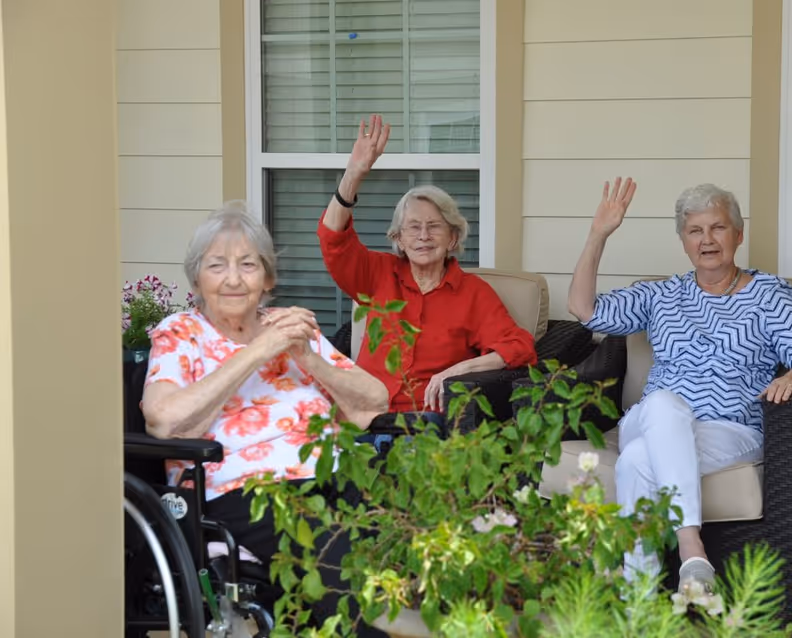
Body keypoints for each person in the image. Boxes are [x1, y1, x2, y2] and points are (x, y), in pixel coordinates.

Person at [568, 180, 792, 593]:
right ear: (683, 241)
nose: (707, 240)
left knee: (637, 460)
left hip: (730, 429)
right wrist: (598, 234)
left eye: (718, 228)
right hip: (652, 417)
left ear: (738, 235)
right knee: (661, 405)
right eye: (695, 231)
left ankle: (636, 599)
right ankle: (691, 548)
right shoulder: (661, 294)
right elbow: (584, 309)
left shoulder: (768, 296)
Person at [141, 202, 390, 634]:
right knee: (346, 565)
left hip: (336, 476)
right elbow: (164, 422)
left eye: (248, 265)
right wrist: (256, 351)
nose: (234, 279)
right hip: (249, 493)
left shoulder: (289, 327)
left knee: (414, 541)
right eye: (217, 266)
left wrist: (308, 357)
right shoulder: (182, 333)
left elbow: (374, 402)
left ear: (267, 278)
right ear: (197, 279)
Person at [317, 114, 537, 416]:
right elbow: (333, 239)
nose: (423, 236)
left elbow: (519, 347)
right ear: (398, 238)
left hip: (427, 424)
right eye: (413, 227)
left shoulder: (473, 293)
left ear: (453, 238)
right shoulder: (376, 274)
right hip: (362, 416)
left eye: (434, 226)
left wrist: (459, 369)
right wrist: (354, 173)